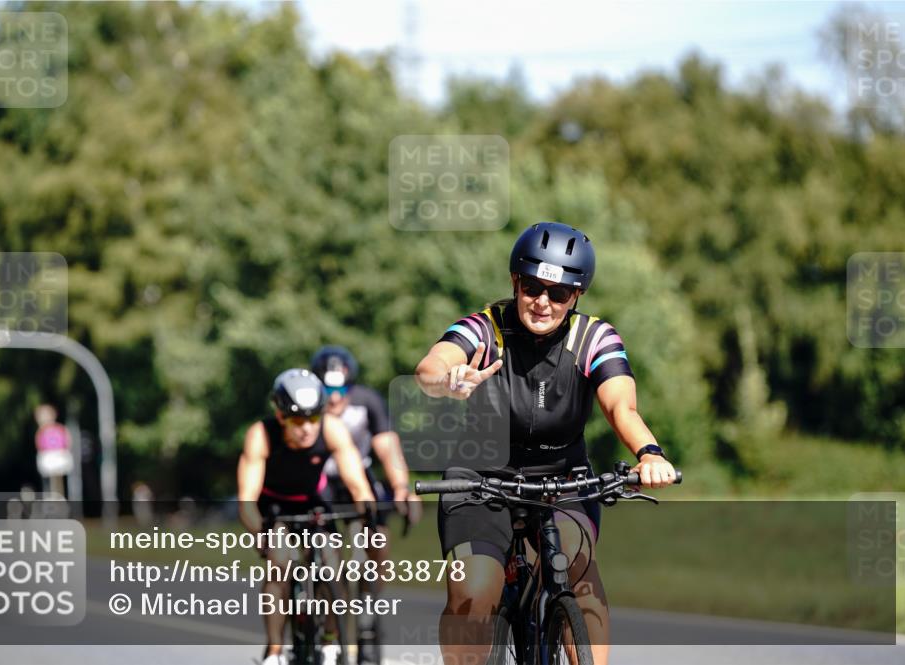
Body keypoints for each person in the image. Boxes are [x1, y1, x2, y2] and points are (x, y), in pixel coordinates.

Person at [415, 222, 677, 665]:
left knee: (578, 576)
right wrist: (449, 379)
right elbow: (431, 367)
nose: (543, 302)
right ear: (516, 282)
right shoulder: (486, 328)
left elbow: (621, 408)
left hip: (564, 477)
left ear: (577, 296)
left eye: (559, 293)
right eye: (533, 287)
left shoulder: (594, 338)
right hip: (480, 478)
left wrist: (649, 453)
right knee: (476, 592)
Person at [238, 369, 376, 665]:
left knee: (333, 564)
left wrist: (368, 514)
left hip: (314, 502)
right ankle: (275, 649)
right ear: (280, 414)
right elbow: (246, 501)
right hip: (273, 506)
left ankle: (329, 639)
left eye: (313, 418)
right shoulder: (260, 435)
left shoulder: (332, 428)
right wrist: (259, 535)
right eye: (297, 420)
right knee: (279, 564)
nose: (307, 428)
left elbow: (357, 483)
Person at [311, 345, 422, 665]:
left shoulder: (366, 402)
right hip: (323, 485)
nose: (334, 398)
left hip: (360, 478)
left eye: (341, 389)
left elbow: (388, 449)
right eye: (327, 390)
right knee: (327, 558)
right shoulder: (308, 406)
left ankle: (369, 607)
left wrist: (402, 488)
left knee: (377, 540)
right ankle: (326, 613)